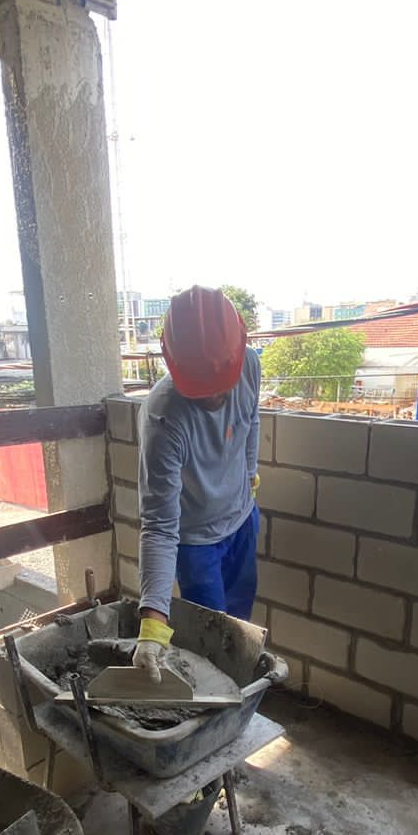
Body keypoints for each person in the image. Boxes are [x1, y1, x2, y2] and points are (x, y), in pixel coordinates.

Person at [134, 286, 261, 681]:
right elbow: (159, 525)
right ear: (172, 364)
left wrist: (250, 477)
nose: (216, 397)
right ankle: (212, 708)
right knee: (210, 650)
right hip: (196, 546)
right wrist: (153, 624)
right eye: (203, 389)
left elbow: (250, 421)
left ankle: (237, 701)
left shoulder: (250, 365)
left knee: (240, 634)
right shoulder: (163, 418)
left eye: (223, 382)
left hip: (242, 523)